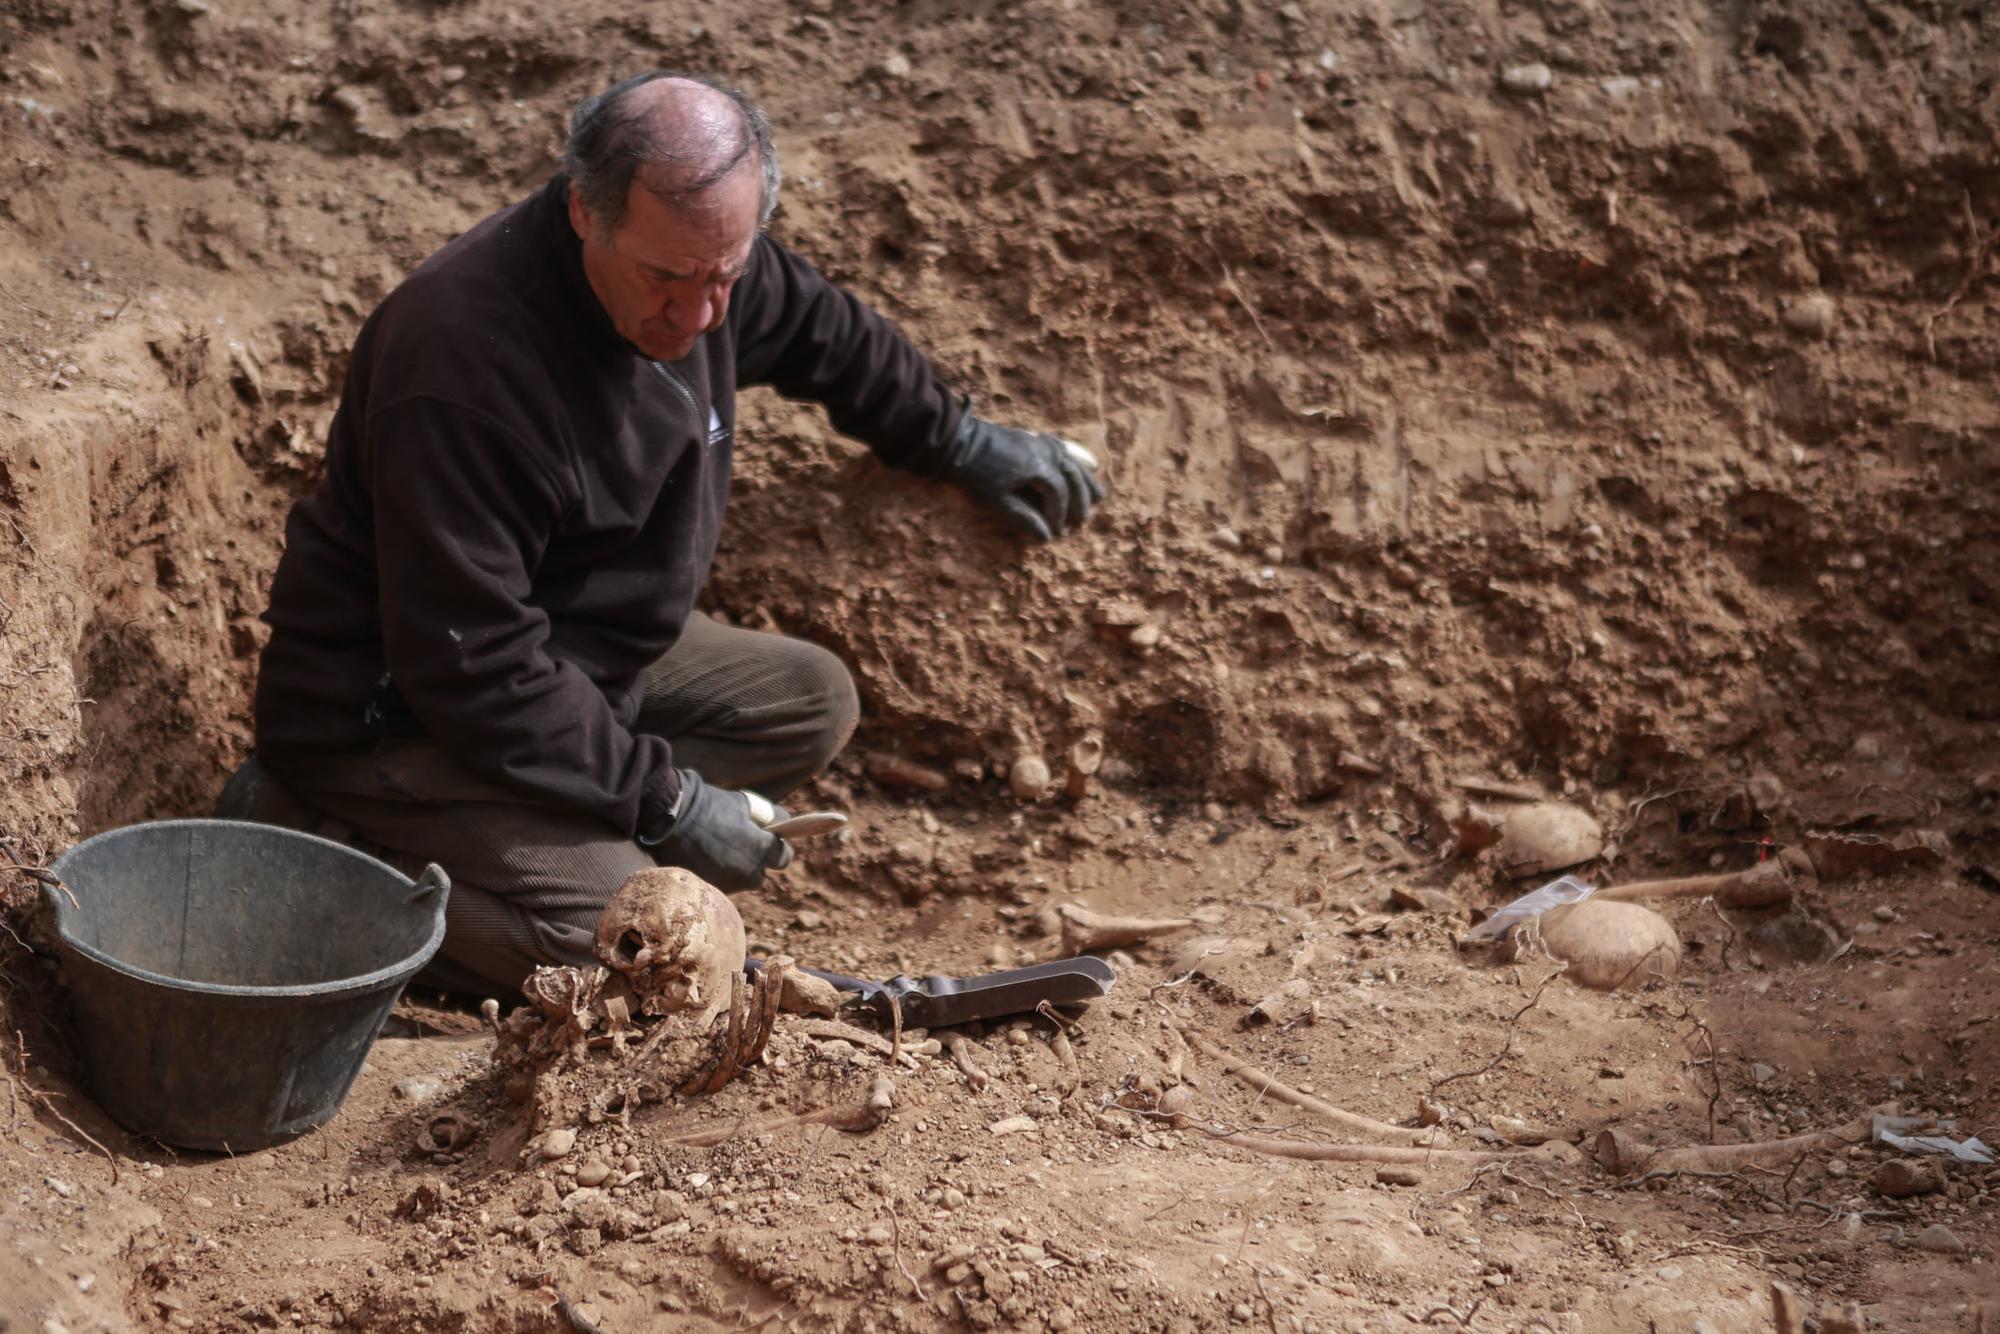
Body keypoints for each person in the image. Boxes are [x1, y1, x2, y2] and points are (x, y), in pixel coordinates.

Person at [232, 72, 1103, 994]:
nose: (697, 317)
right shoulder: (464, 368)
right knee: (636, 956)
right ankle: (319, 849)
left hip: (571, 657)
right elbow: (471, 665)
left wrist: (957, 437)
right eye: (665, 279)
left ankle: (563, 839)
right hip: (394, 715)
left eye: (724, 276)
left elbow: (824, 331)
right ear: (583, 211)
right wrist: (667, 798)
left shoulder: (699, 257)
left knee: (809, 699)